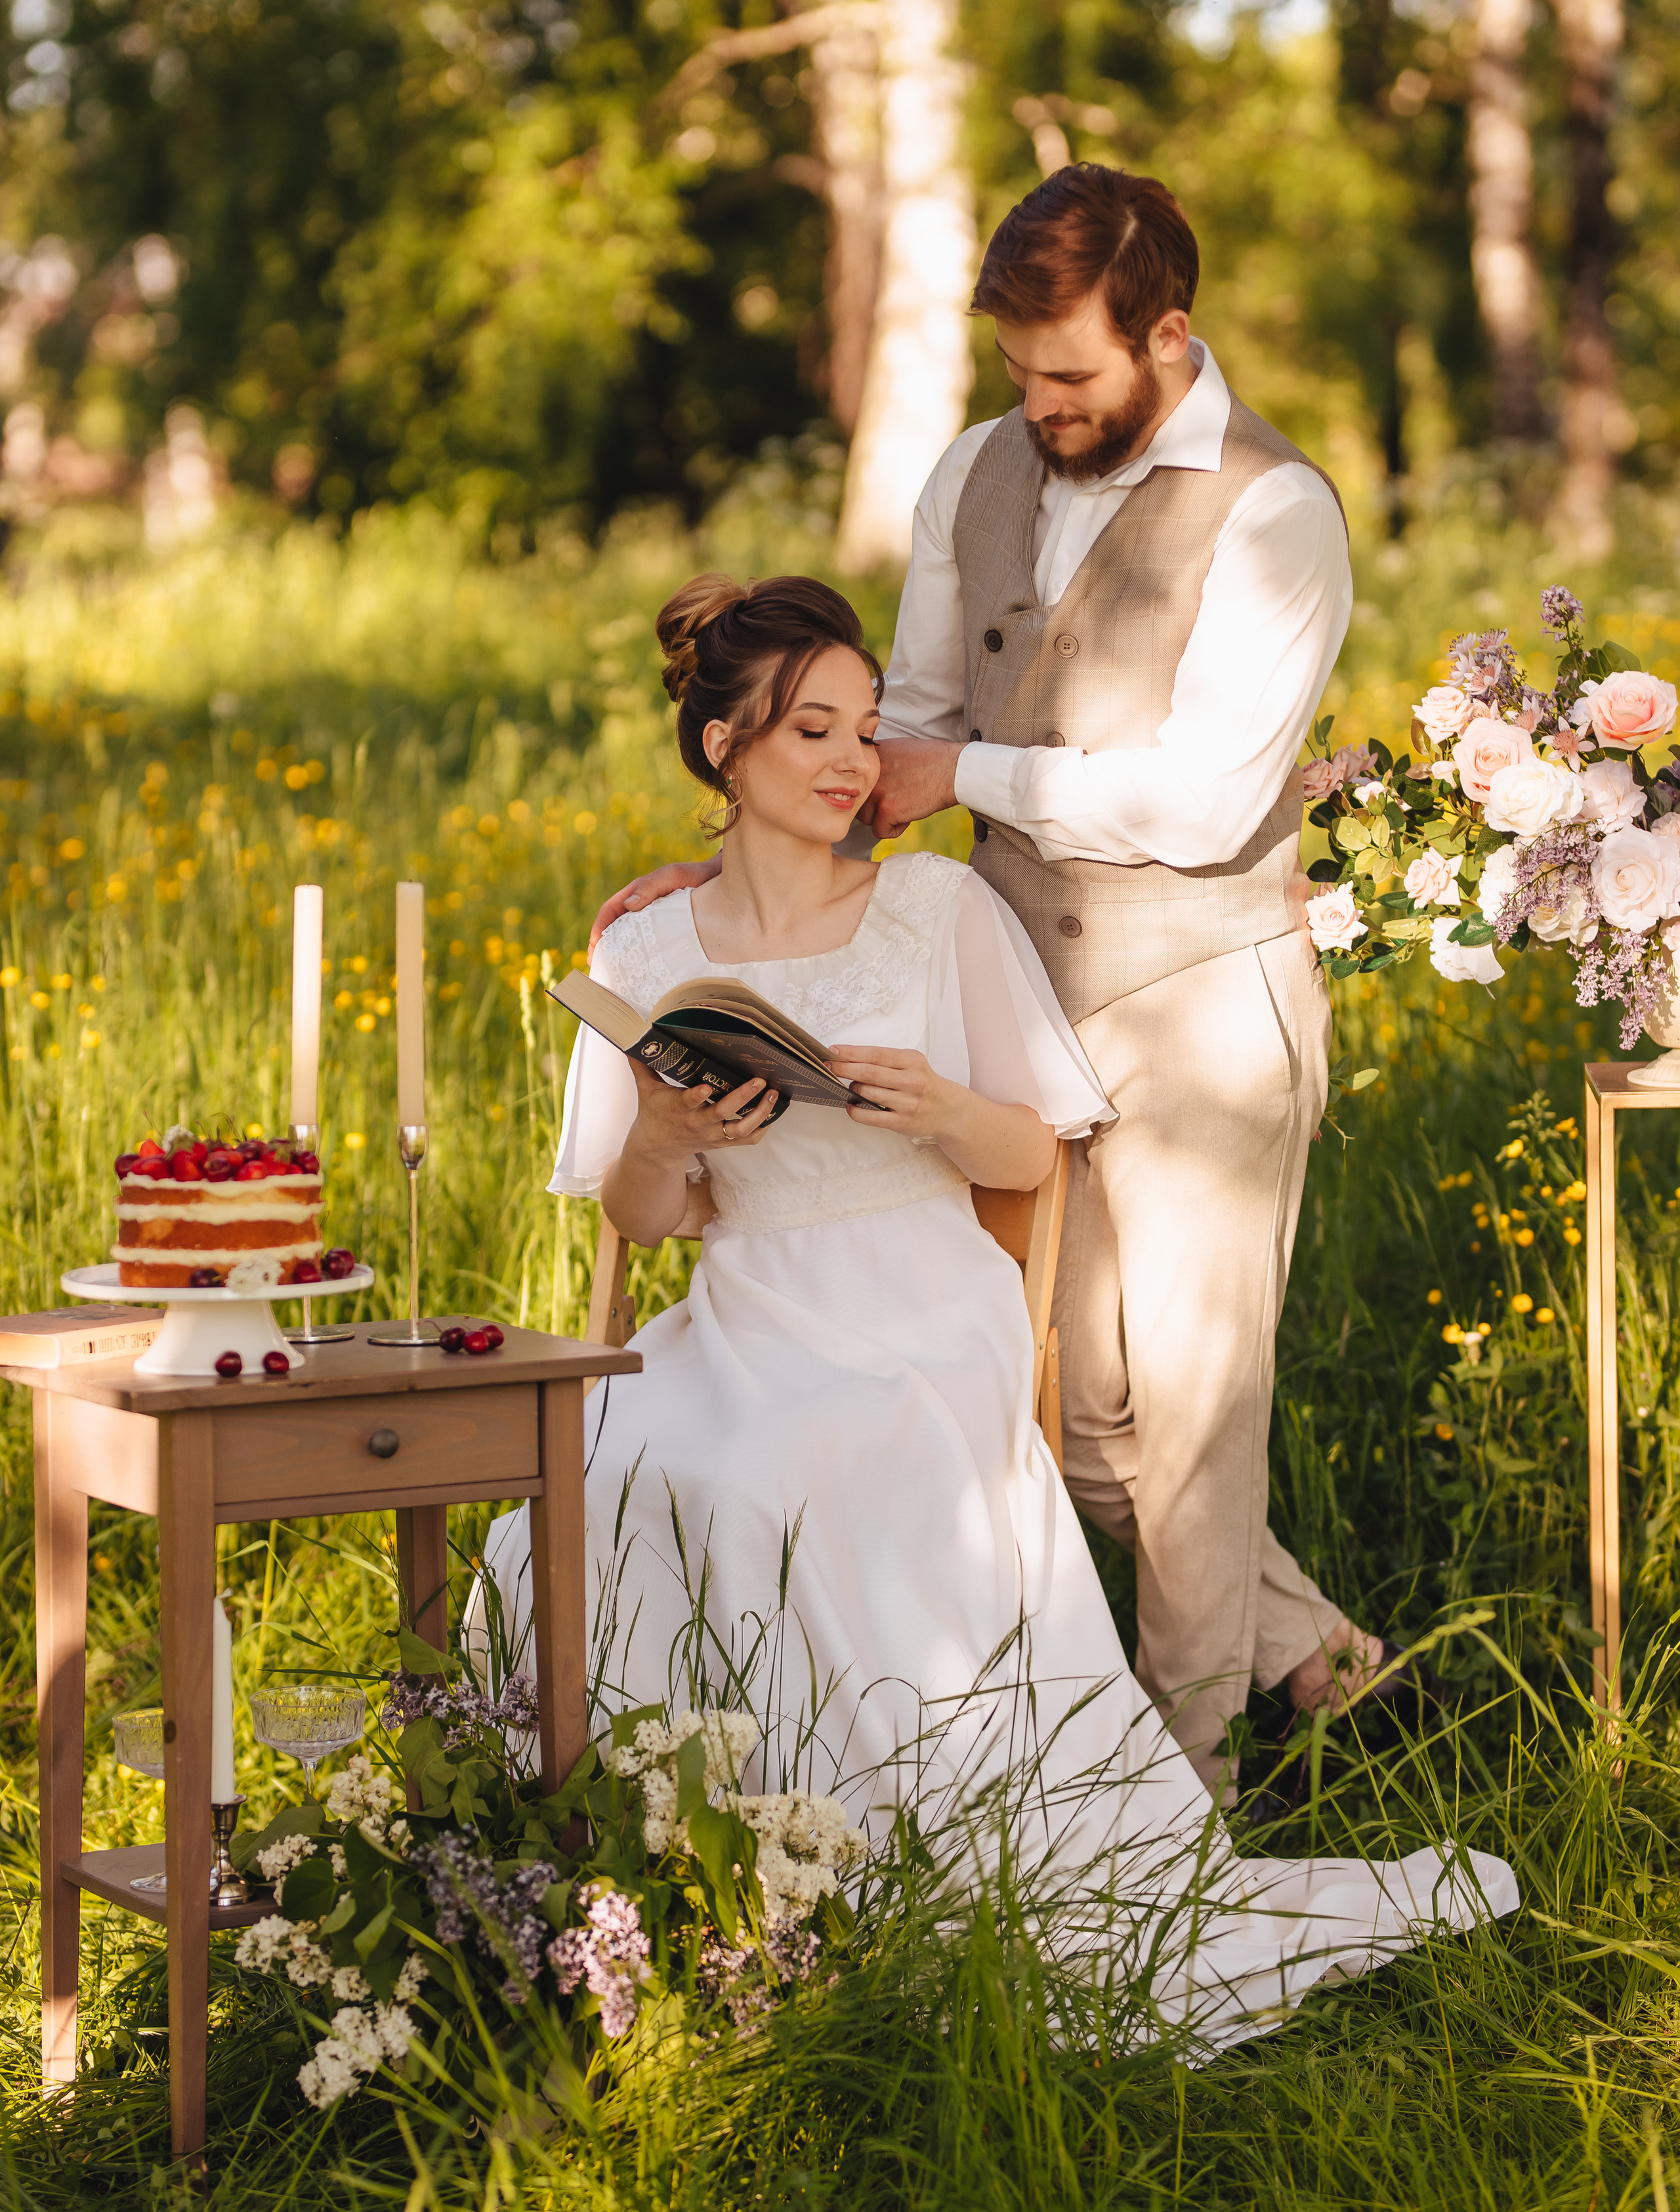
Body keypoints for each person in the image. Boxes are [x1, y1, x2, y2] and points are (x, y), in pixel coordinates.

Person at [481, 572, 1517, 2057]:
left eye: (863, 728)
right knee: (594, 1473)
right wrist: (663, 1131)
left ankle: (833, 1865)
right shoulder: (647, 953)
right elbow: (644, 1221)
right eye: (809, 731)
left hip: (920, 1304)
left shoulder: (933, 905)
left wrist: (942, 1109)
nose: (853, 762)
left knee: (775, 1468)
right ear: (722, 748)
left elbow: (1035, 1158)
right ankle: (637, 1873)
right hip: (744, 1304)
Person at [589, 166, 1407, 1803]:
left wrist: (968, 773)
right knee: (1067, 1407)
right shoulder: (974, 468)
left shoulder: (1275, 511)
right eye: (1019, 373)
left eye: (1070, 375)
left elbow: (1200, 805)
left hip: (1199, 997)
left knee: (1189, 1417)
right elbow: (897, 722)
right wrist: (736, 866)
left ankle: (1184, 1790)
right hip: (1008, 995)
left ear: (1165, 335)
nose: (1038, 406)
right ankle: (1322, 1655)